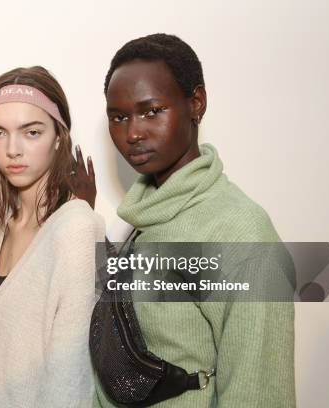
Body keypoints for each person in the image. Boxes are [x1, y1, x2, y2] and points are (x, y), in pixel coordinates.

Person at [92, 34, 295, 407]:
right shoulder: (144, 218)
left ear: (196, 103)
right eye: (118, 117)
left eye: (152, 110)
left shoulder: (239, 231)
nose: (133, 132)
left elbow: (260, 393)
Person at [0, 66, 105, 407]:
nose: (12, 149)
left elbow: (71, 379)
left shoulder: (77, 230)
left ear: (59, 137)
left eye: (31, 132)